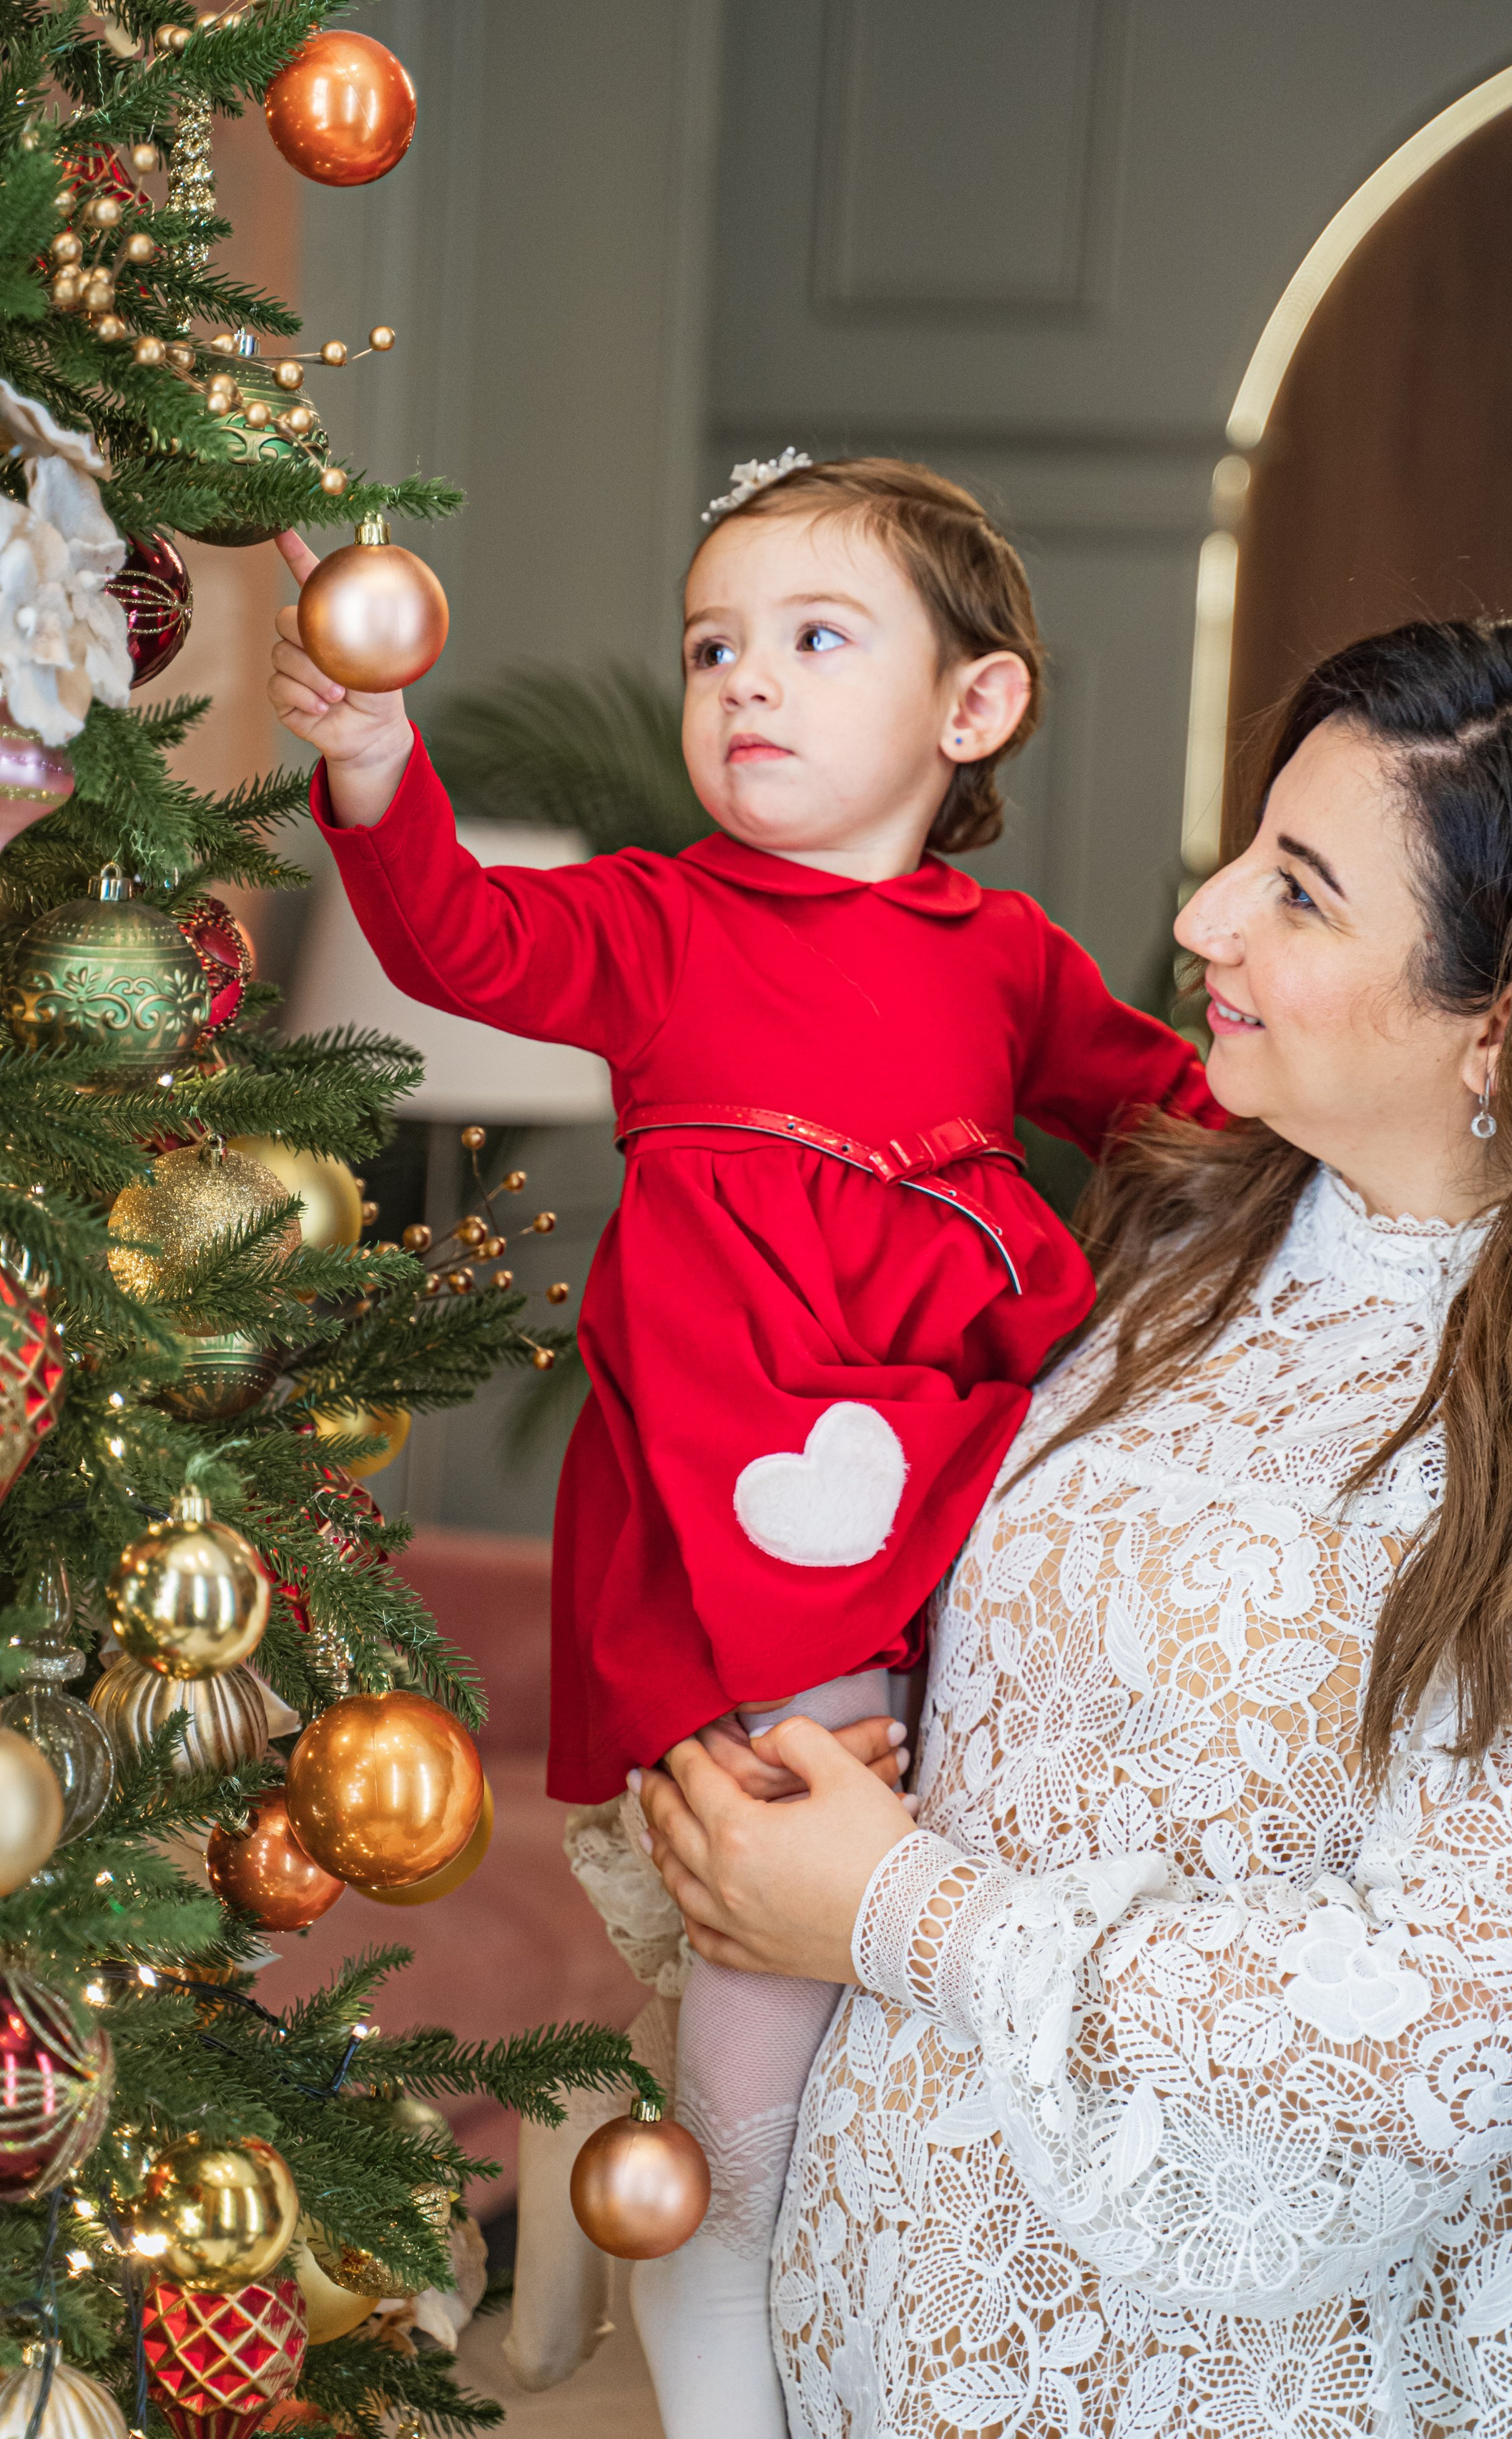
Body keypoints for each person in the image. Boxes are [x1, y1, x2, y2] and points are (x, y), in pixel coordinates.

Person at [634, 617, 1512, 2439]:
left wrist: (892, 1912)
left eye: (1298, 893)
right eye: (1245, 855)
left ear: (1500, 1015)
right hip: (869, 2329)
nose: (1202, 920)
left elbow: (1438, 2035)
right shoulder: (1176, 1241)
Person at [267, 456, 1222, 2438]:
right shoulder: (661, 922)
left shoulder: (1007, 958)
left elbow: (1187, 1121)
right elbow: (460, 940)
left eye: (812, 639)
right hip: (738, 1524)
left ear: (973, 707)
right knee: (757, 2043)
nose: (744, 683)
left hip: (945, 1504)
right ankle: (725, 2381)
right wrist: (371, 759)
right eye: (712, 648)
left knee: (897, 2005)